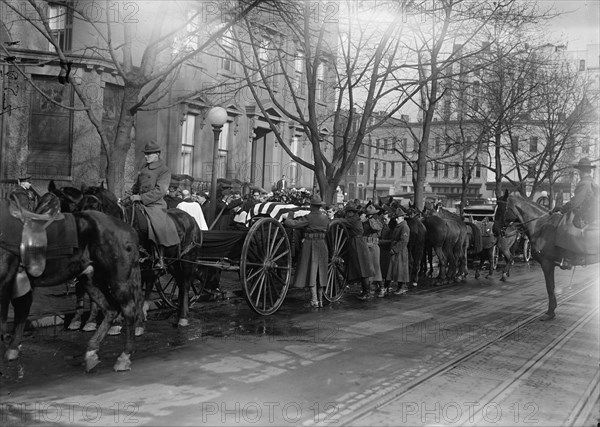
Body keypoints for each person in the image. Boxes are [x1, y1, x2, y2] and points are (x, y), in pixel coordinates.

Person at [130, 140, 180, 268]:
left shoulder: (164, 170)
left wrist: (141, 197)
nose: (146, 156)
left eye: (149, 154)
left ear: (157, 154)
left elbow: (160, 190)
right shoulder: (144, 169)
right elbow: (136, 186)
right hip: (139, 202)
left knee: (157, 224)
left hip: (154, 204)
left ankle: (160, 257)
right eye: (145, 154)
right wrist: (130, 194)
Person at [284, 195, 330, 308]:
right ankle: (320, 299)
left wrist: (289, 216)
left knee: (312, 272)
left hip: (310, 244)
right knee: (321, 272)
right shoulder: (325, 218)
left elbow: (292, 224)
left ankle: (314, 300)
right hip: (322, 244)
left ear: (311, 206)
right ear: (319, 206)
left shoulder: (309, 217)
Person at [553, 157, 599, 269]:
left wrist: (562, 209)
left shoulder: (584, 183)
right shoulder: (591, 182)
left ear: (582, 171)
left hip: (585, 213)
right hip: (591, 212)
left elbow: (576, 201)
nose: (579, 173)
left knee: (564, 226)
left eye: (579, 171)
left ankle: (568, 259)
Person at [337, 202, 374, 300]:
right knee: (362, 268)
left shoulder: (353, 220)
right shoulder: (355, 218)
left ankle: (367, 292)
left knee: (363, 269)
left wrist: (334, 219)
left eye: (348, 212)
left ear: (351, 212)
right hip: (357, 243)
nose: (347, 214)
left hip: (358, 244)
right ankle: (365, 291)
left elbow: (341, 221)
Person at [385, 209, 411, 296]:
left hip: (400, 251)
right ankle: (400, 286)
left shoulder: (404, 227)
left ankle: (402, 287)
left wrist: (394, 249)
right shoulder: (400, 226)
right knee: (398, 269)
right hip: (397, 250)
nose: (396, 220)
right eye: (395, 218)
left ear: (402, 218)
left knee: (401, 269)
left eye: (397, 218)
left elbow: (404, 241)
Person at [362, 204, 384, 298]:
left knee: (376, 268)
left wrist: (370, 219)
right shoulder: (366, 222)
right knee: (368, 268)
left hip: (374, 246)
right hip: (366, 246)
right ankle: (367, 289)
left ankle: (382, 287)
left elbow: (376, 228)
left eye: (371, 214)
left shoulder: (376, 222)